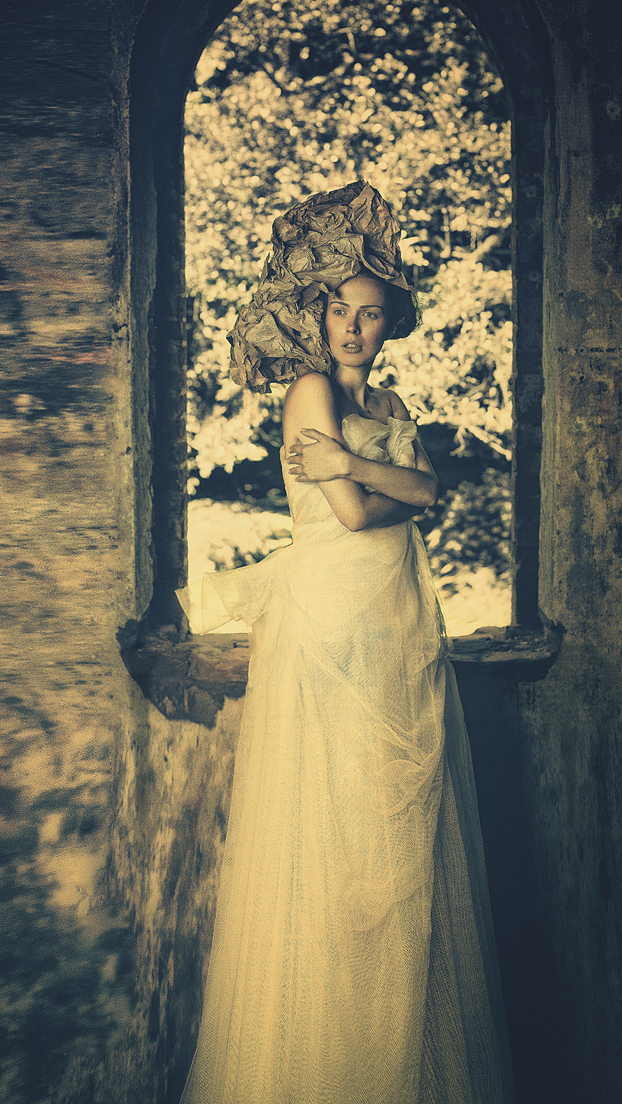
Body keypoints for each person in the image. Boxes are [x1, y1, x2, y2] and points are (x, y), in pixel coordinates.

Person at [177, 182, 516, 1104]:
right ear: (318, 313)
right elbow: (367, 511)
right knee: (332, 848)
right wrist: (378, 476)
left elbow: (431, 489)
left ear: (387, 322)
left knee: (398, 850)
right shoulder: (307, 391)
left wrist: (360, 463)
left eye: (371, 314)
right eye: (340, 309)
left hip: (398, 632)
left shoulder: (391, 400)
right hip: (332, 630)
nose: (354, 328)